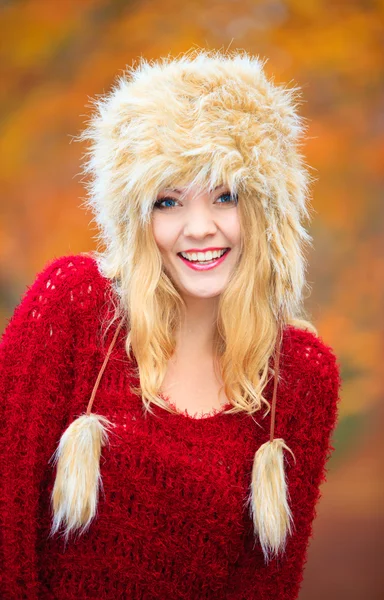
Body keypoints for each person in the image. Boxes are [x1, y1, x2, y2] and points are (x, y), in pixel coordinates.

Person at [0, 48, 341, 599]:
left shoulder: (300, 376)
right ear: (136, 216)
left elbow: (266, 585)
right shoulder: (73, 305)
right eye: (168, 201)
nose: (199, 227)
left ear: (266, 212)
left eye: (226, 196)